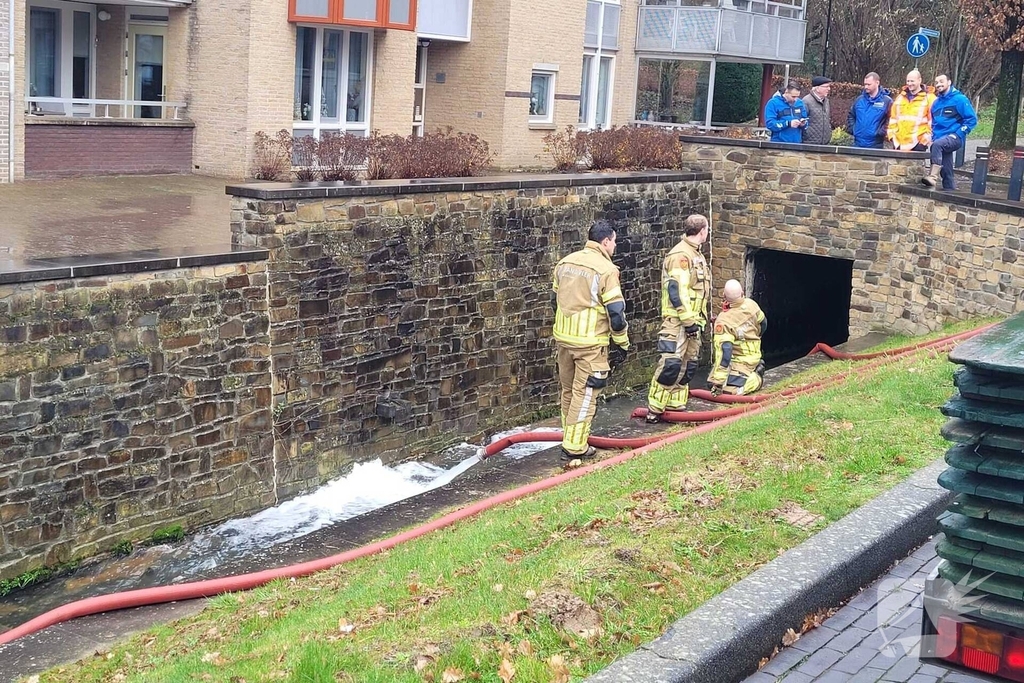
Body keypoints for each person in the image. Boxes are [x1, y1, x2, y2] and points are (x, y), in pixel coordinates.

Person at [551, 220, 630, 460]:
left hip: (564, 338)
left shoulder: (565, 263)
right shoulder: (606, 270)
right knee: (585, 395)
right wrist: (622, 342)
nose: (615, 246)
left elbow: (555, 299)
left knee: (568, 391)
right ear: (605, 242)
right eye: (614, 241)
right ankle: (575, 447)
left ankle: (570, 436)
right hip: (590, 342)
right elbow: (616, 312)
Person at [646, 214, 710, 423]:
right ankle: (654, 409)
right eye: (707, 230)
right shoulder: (680, 256)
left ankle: (675, 404)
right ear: (702, 231)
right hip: (678, 323)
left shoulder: (696, 254)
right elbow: (676, 293)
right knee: (670, 364)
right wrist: (688, 321)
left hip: (694, 321)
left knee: (689, 364)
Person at [707, 280, 767, 396]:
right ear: (742, 293)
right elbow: (763, 323)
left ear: (724, 296)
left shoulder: (723, 321)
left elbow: (725, 352)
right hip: (754, 355)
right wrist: (755, 337)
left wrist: (718, 382)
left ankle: (756, 379)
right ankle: (755, 367)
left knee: (729, 391)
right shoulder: (752, 304)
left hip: (739, 362)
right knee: (711, 383)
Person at [923, 74, 978, 190]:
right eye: (936, 82)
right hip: (940, 139)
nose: (938, 84)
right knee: (946, 171)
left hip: (954, 137)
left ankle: (932, 176)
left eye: (941, 81)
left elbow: (971, 119)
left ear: (949, 82)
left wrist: (959, 133)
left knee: (936, 146)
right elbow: (934, 123)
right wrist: (933, 136)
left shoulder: (960, 99)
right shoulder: (936, 103)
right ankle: (950, 191)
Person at [887, 70, 936, 152]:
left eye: (912, 81)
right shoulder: (900, 97)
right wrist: (892, 136)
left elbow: (933, 122)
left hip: (918, 144)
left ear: (919, 80)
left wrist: (924, 141)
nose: (909, 83)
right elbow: (893, 119)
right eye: (908, 81)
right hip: (898, 144)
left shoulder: (930, 98)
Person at [846, 72, 893, 149]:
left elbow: (891, 119)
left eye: (869, 84)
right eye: (865, 84)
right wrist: (854, 129)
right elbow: (851, 115)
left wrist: (881, 132)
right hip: (857, 144)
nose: (866, 87)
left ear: (877, 83)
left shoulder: (886, 101)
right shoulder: (859, 100)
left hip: (876, 145)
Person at [802, 76, 833, 145]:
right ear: (817, 88)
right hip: (809, 143)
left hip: (824, 143)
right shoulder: (806, 101)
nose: (829, 89)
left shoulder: (826, 101)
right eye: (826, 87)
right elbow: (802, 121)